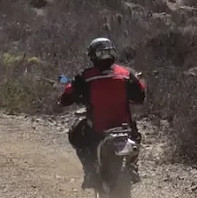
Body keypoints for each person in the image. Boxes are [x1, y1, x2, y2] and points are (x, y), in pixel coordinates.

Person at [59, 37, 146, 188]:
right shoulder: (126, 73)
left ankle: (90, 172)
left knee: (77, 136)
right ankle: (132, 166)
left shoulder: (85, 76)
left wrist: (64, 100)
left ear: (92, 56)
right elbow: (140, 95)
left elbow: (68, 93)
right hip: (124, 126)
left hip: (98, 127)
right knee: (136, 136)